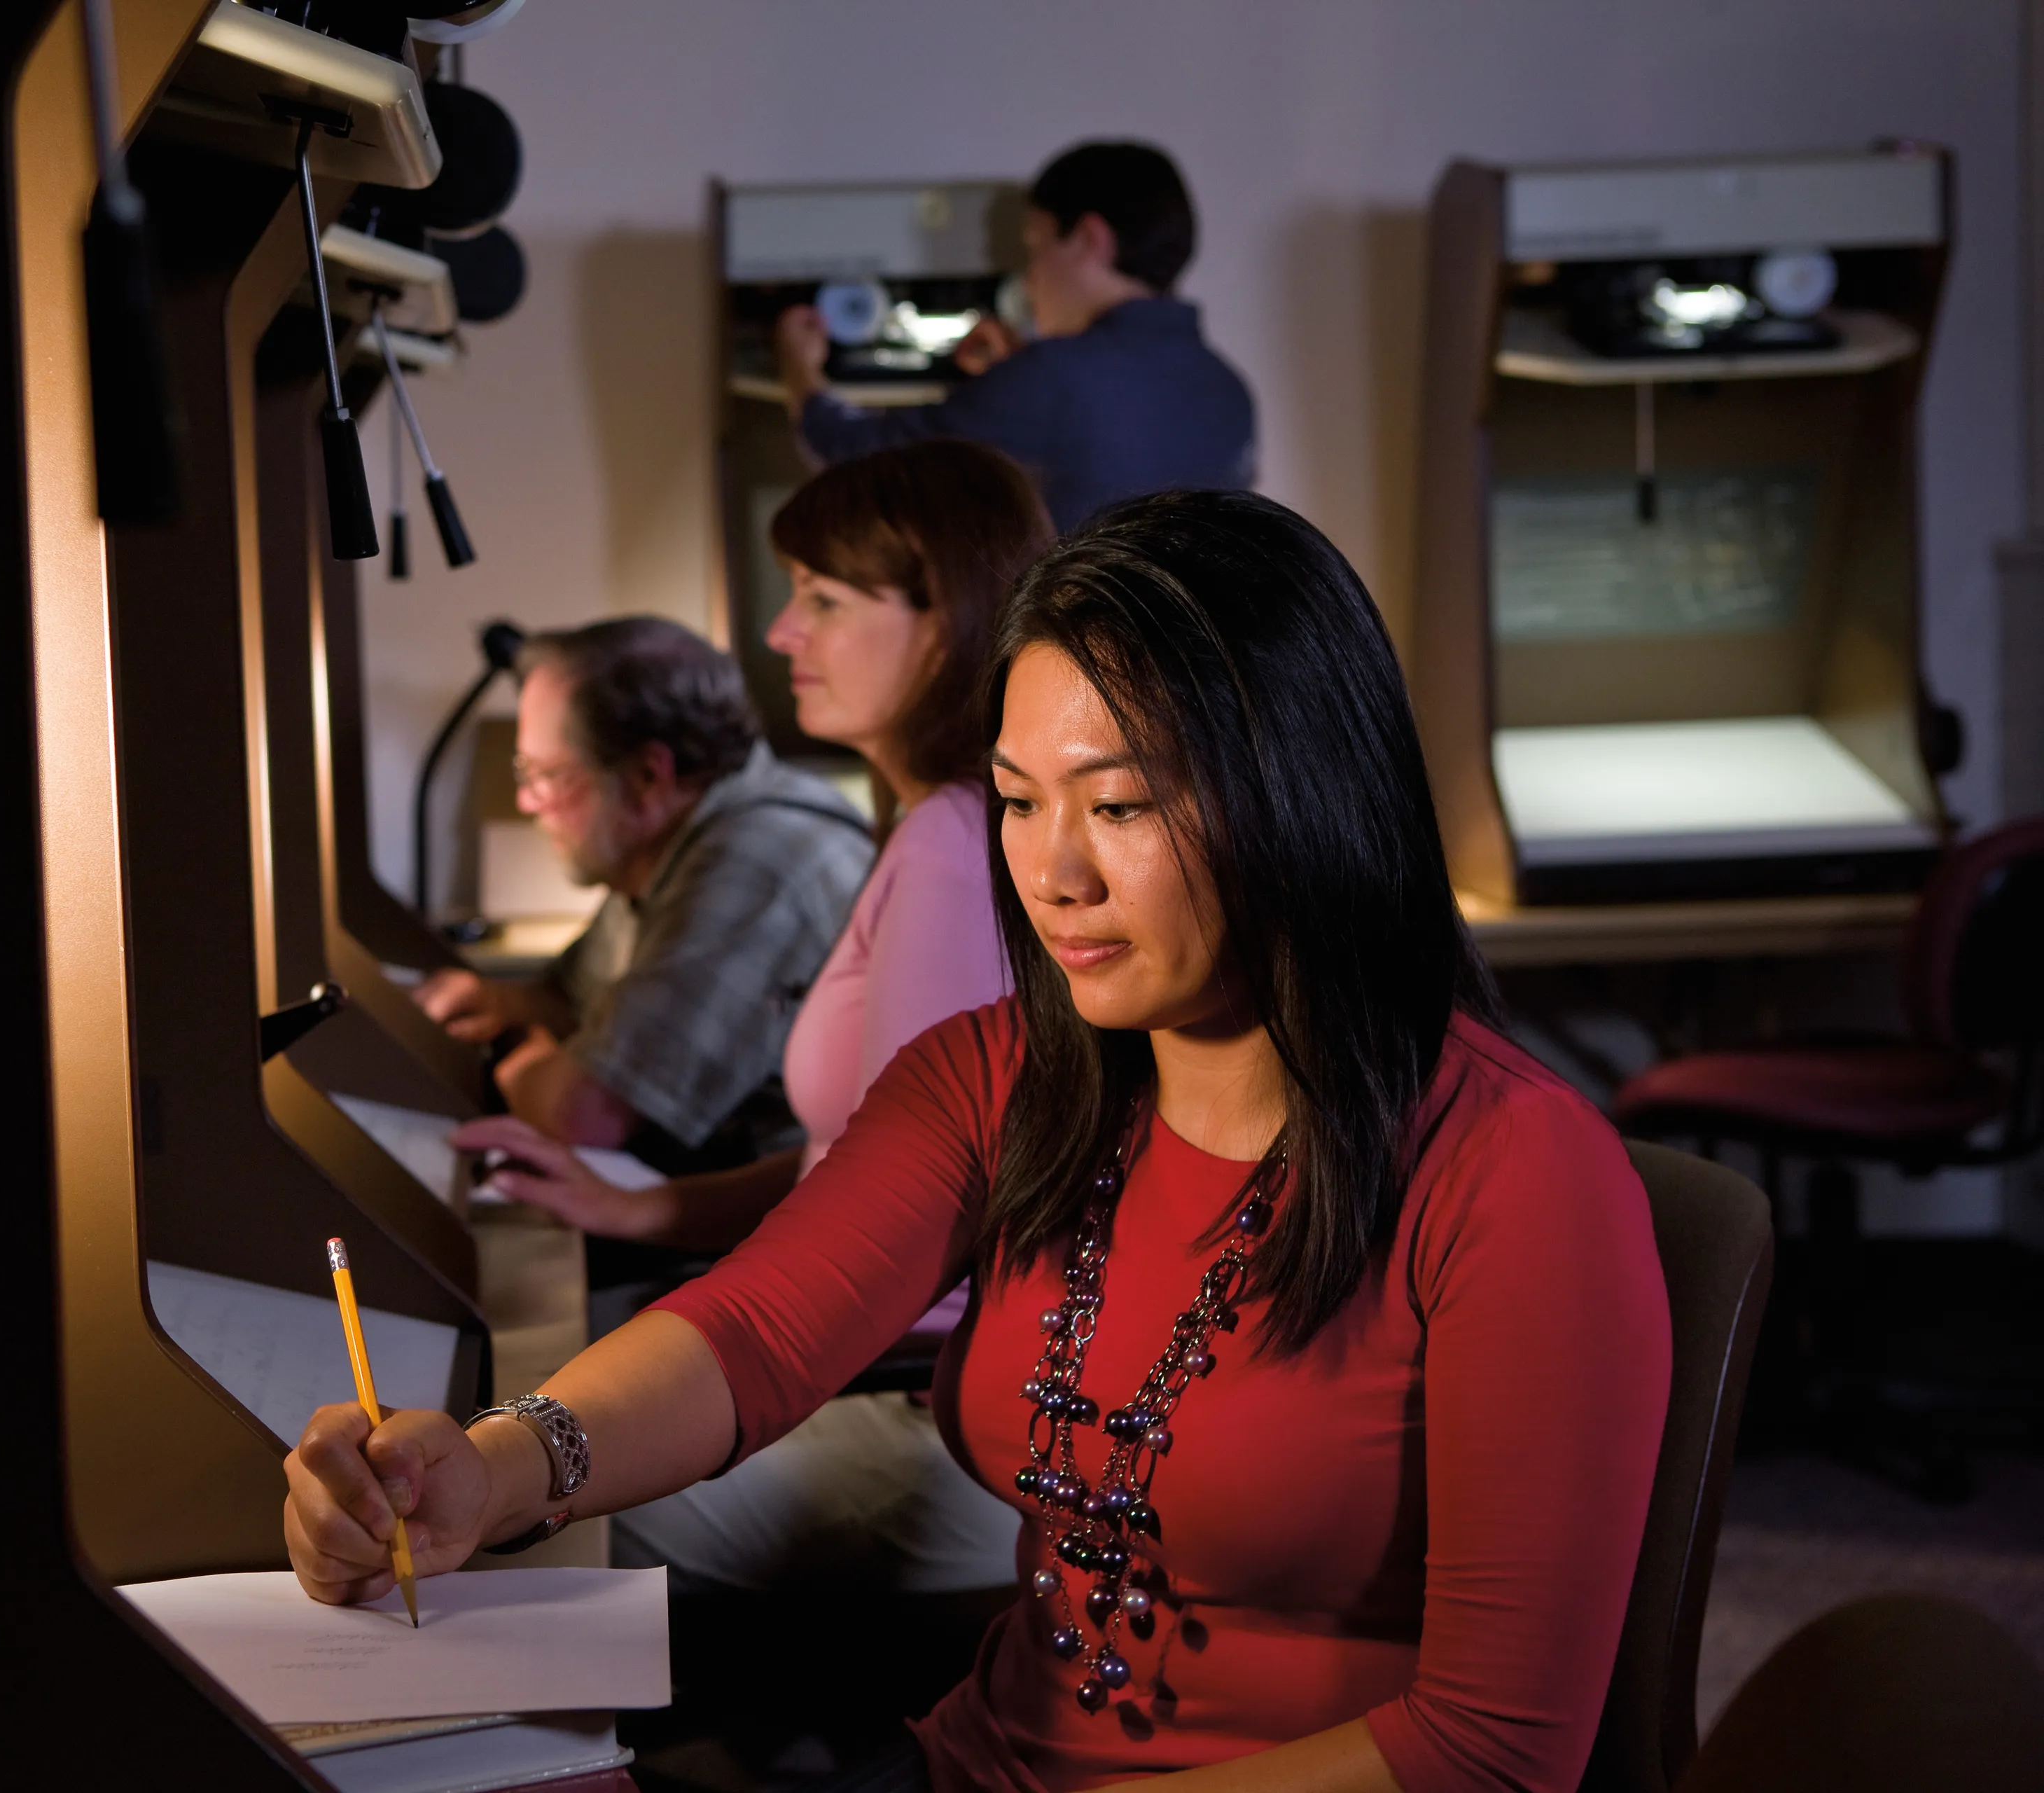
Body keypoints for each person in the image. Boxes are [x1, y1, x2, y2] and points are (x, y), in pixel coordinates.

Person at [292, 490, 1673, 1793]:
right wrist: (494, 1465)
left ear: (1299, 793)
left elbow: (1495, 1747)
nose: (1054, 872)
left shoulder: (1518, 1174)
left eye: (1119, 804)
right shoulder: (1002, 1069)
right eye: (1019, 800)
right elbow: (758, 1331)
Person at [454, 440, 1053, 1597]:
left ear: (945, 620)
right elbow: (868, 1166)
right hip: (889, 1369)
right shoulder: (935, 827)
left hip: (917, 1408)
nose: (783, 636)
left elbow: (892, 1243)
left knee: (519, 1552)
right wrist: (654, 1208)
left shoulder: (944, 846)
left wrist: (532, 1455)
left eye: (822, 601)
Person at [412, 616, 870, 1178]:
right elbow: (575, 999)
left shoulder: (755, 865)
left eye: (547, 775)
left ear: (648, 777)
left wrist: (521, 1060)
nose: (528, 802)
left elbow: (583, 1115)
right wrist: (498, 1002)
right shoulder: (667, 848)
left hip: (762, 1232)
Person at [776, 141, 1256, 534]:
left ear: (1089, 238)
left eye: (1036, 248)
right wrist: (1016, 374)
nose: (1030, 280)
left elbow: (860, 465)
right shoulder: (1231, 394)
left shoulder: (1054, 377)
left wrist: (801, 368)